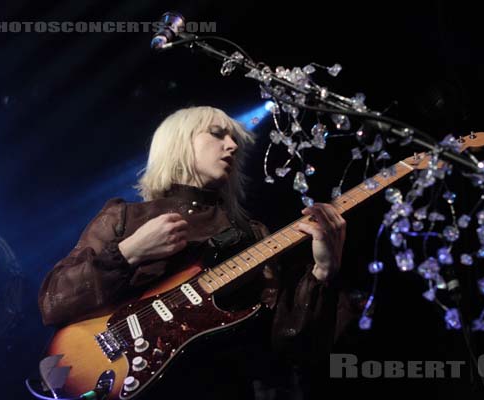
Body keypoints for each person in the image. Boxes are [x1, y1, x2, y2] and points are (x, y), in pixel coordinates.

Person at [38, 106, 358, 399]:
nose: (232, 146)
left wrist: (324, 272)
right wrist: (128, 253)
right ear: (178, 143)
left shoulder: (254, 235)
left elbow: (293, 344)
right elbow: (55, 301)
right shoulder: (125, 217)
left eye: (234, 139)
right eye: (217, 134)